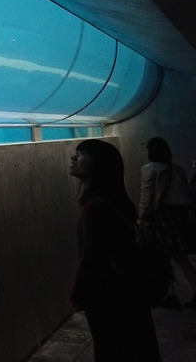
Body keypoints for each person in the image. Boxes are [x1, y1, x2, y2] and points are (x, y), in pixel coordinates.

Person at [68, 139, 160, 362]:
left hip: (108, 298)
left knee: (110, 348)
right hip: (129, 294)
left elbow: (90, 259)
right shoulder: (118, 202)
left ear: (99, 163)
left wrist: (77, 295)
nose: (74, 157)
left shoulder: (94, 208)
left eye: (82, 153)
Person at [138, 137, 196, 308]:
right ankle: (178, 293)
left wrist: (141, 217)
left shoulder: (149, 169)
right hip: (177, 217)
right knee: (181, 258)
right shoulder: (177, 169)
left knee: (162, 258)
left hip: (159, 217)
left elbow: (146, 196)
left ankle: (170, 296)